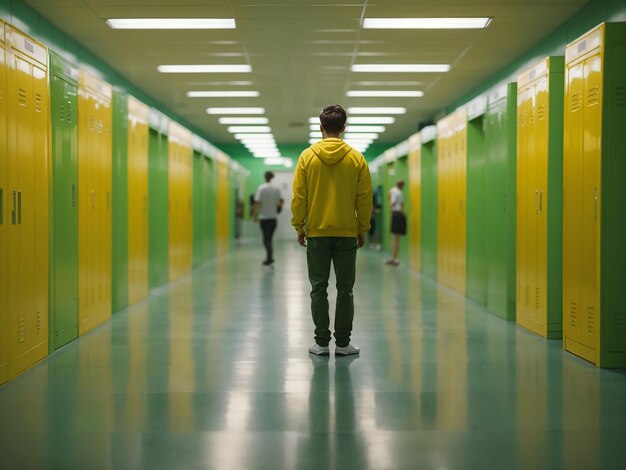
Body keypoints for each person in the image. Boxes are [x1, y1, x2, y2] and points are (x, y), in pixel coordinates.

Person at [291, 104, 373, 356]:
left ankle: (322, 343)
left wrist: (299, 225)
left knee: (318, 288)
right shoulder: (357, 158)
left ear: (321, 128)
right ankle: (344, 343)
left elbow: (299, 197)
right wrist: (362, 228)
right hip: (347, 232)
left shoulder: (307, 157)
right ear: (343, 128)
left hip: (316, 232)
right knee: (345, 289)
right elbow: (364, 199)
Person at [253, 171, 283, 267]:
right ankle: (270, 257)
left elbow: (257, 203)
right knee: (270, 239)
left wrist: (254, 215)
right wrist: (278, 209)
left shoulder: (261, 188)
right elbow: (281, 201)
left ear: (265, 177)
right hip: (273, 218)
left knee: (266, 240)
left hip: (264, 218)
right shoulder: (276, 189)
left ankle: (269, 259)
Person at [385, 180, 406, 266]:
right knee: (396, 238)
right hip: (398, 215)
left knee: (395, 238)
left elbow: (391, 201)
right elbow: (394, 204)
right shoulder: (398, 193)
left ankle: (394, 257)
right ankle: (394, 258)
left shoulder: (393, 191)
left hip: (395, 215)